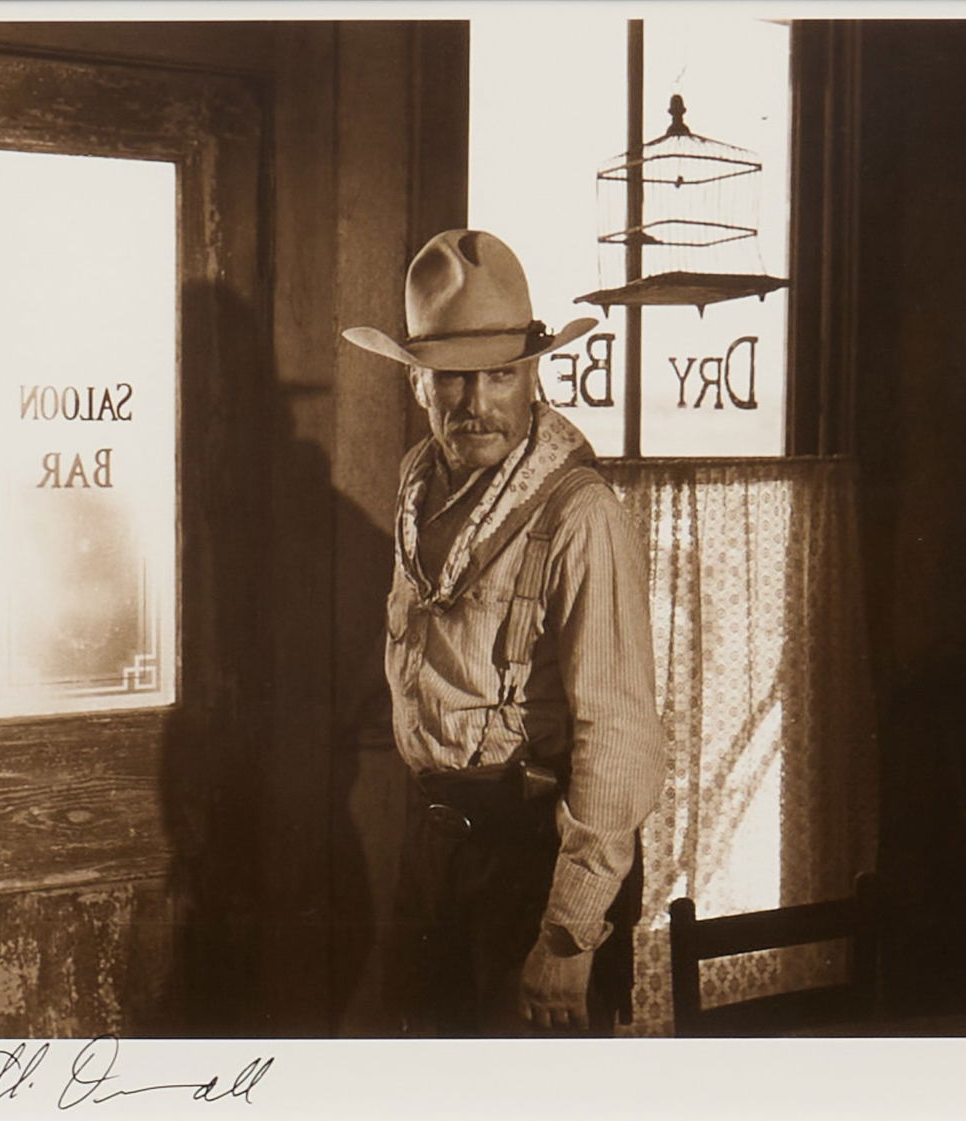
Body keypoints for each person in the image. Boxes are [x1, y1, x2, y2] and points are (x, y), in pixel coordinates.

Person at [343, 229, 667, 1036]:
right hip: (438, 848)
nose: (476, 403)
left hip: (538, 864)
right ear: (419, 381)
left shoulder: (579, 514)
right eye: (453, 377)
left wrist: (569, 934)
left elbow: (618, 737)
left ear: (533, 375)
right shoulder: (420, 486)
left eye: (499, 375)